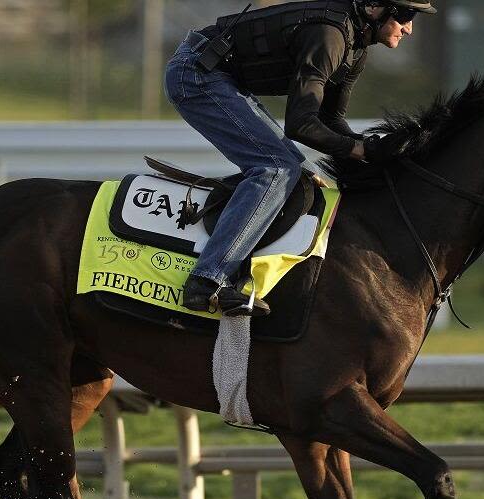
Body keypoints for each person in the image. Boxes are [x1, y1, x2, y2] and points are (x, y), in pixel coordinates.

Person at [166, 0, 436, 316]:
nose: (409, 27)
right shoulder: (330, 36)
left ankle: (241, 264)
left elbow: (331, 121)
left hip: (223, 78)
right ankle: (207, 281)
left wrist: (373, 152)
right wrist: (363, 149)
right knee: (276, 168)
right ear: (374, 7)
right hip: (196, 74)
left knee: (299, 172)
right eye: (406, 15)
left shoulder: (355, 49)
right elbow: (301, 125)